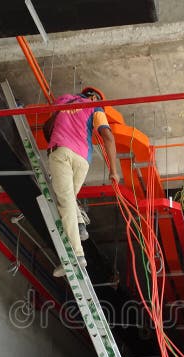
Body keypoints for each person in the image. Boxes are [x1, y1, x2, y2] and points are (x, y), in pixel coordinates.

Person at [46, 86, 120, 277]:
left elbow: (49, 124)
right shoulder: (96, 108)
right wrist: (113, 171)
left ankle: (77, 256)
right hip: (82, 160)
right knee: (68, 200)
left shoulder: (63, 100)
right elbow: (108, 137)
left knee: (66, 203)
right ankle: (78, 224)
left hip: (61, 152)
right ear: (95, 97)